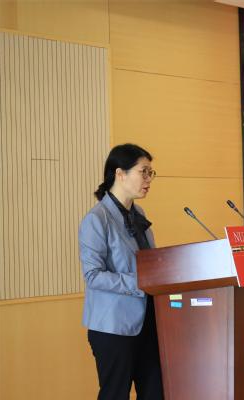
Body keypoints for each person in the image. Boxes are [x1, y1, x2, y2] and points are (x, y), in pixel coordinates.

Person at [79, 143, 164, 400]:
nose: (149, 179)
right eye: (143, 172)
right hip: (113, 327)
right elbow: (93, 275)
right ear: (120, 173)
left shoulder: (138, 213)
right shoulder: (97, 219)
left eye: (151, 173)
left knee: (156, 393)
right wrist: (140, 281)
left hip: (149, 321)